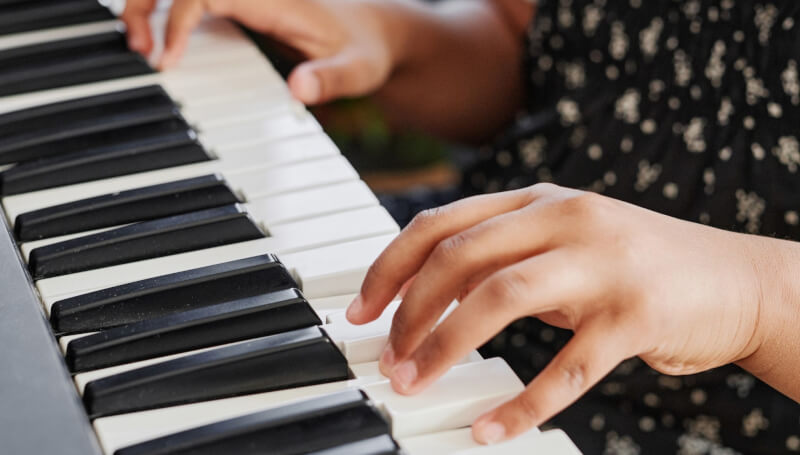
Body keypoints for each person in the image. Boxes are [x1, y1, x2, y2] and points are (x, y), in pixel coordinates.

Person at [123, 1, 800, 452]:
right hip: (461, 261)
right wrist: (397, 36)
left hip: (684, 416)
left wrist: (754, 295)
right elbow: (545, 51)